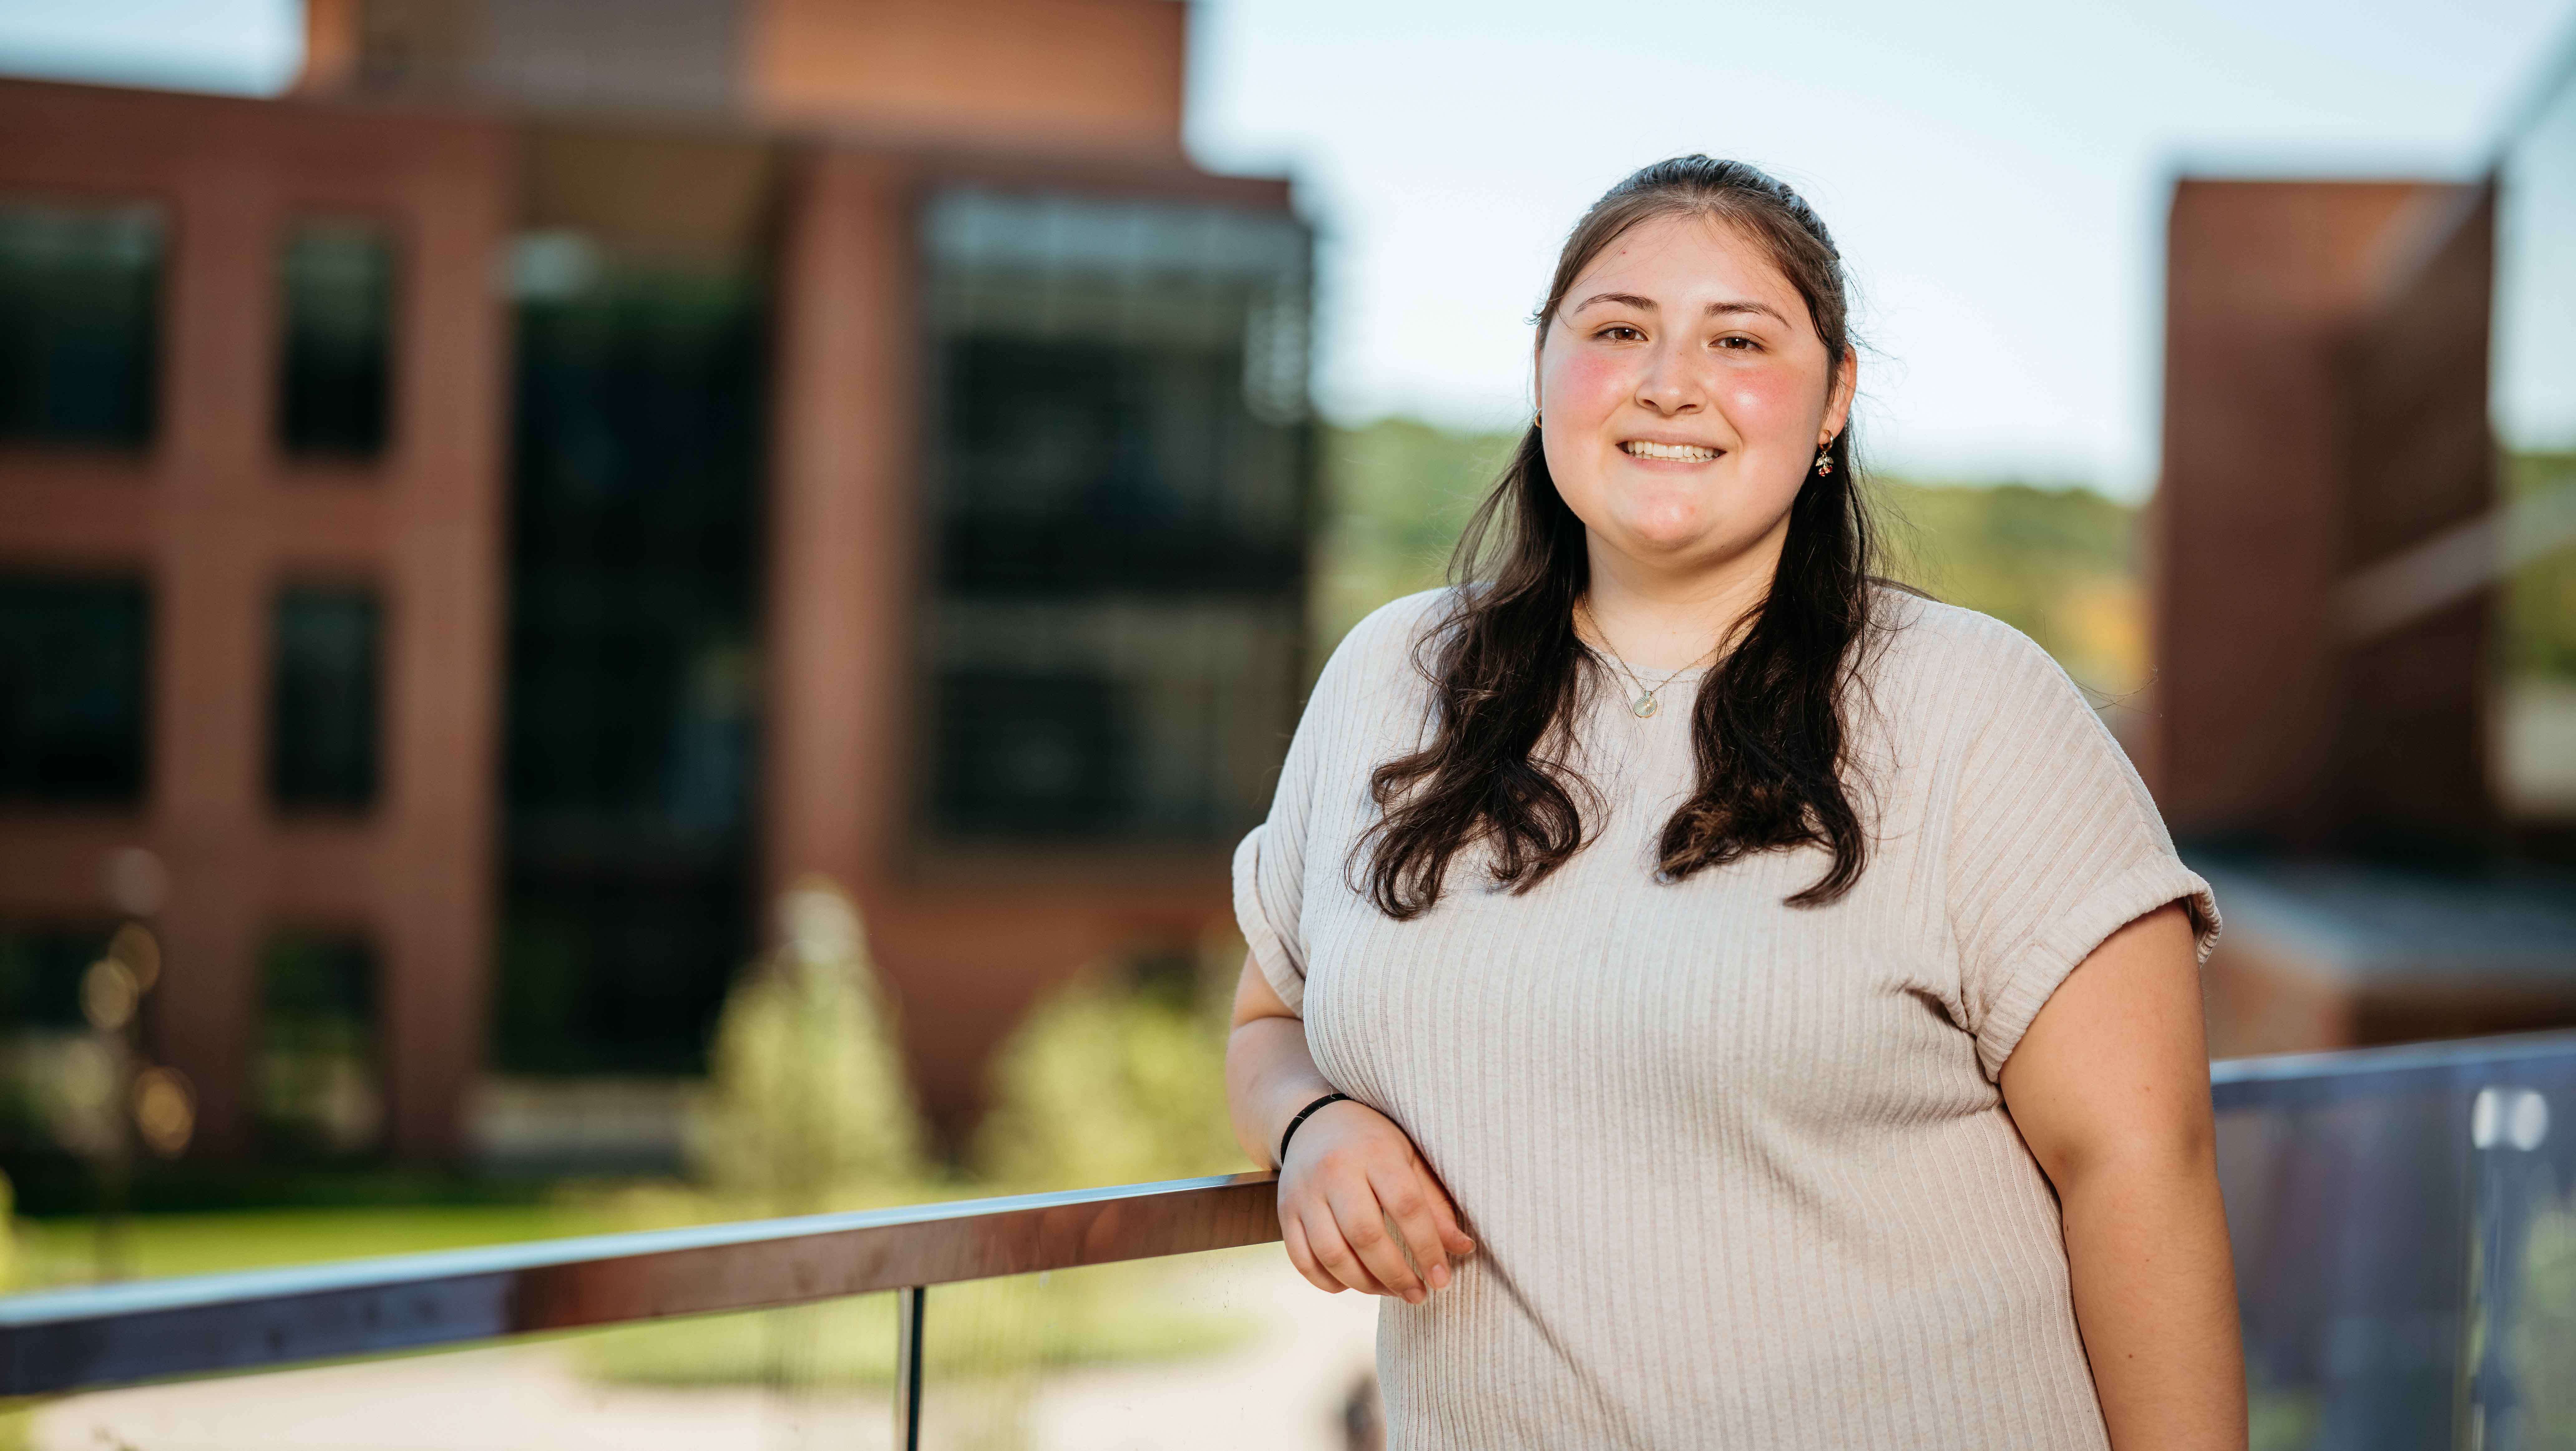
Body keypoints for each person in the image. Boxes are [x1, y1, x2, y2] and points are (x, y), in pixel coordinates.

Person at [1222, 156, 2246, 1449]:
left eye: (1739, 339)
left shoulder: (1981, 707)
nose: (1669, 381)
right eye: (1617, 331)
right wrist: (1313, 1121)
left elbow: (2141, 1171)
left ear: (1834, 400)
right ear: (1545, 369)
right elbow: (1269, 1017)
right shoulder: (1391, 677)